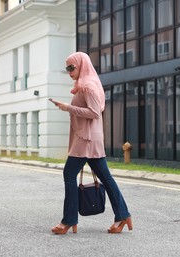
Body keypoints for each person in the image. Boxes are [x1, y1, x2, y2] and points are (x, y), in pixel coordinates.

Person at [50, 52, 132, 234]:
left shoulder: (87, 86)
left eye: (72, 67)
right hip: (89, 138)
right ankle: (123, 215)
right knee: (106, 178)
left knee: (69, 174)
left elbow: (95, 112)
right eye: (67, 68)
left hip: (85, 139)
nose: (70, 71)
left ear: (82, 65)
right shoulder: (87, 84)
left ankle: (69, 220)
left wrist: (67, 107)